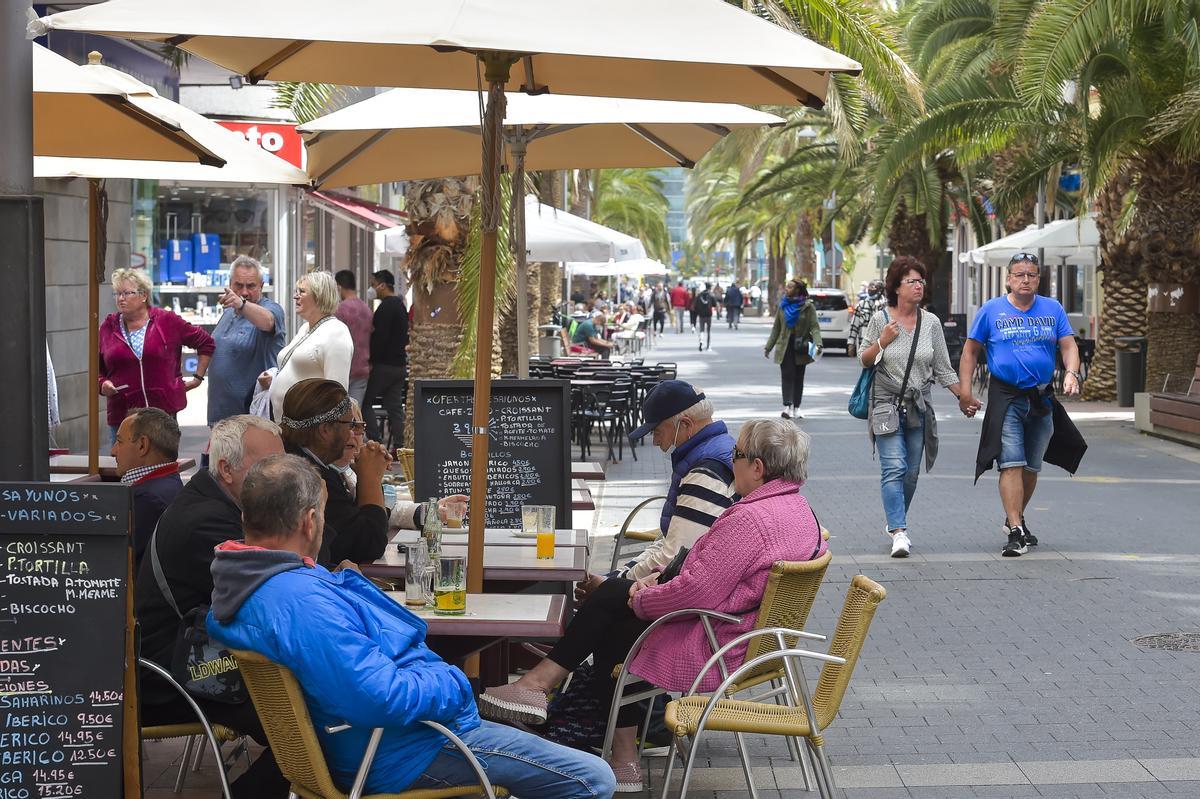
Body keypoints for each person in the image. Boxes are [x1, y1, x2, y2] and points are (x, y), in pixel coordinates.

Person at [206, 454, 616, 799]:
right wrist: (454, 684)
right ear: (311, 521)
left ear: (246, 518)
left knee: (539, 745)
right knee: (595, 779)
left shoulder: (248, 583)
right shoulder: (300, 602)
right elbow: (378, 697)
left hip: (377, 741)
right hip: (399, 751)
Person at [479, 419, 824, 792]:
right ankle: (609, 746)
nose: (731, 459)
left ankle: (544, 690)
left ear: (758, 468)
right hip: (752, 637)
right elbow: (708, 576)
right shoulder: (799, 510)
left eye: (737, 453)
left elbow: (696, 593)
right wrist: (655, 581)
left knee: (612, 603)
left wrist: (638, 595)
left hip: (717, 640)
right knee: (614, 606)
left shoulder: (752, 519)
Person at [135, 415, 289, 799]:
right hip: (174, 678)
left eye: (285, 465)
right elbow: (281, 598)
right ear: (226, 469)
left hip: (210, 662)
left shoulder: (223, 506)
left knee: (315, 711)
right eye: (270, 466)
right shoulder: (206, 522)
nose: (283, 476)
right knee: (304, 723)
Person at [958, 252, 1085, 557]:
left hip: (1041, 398)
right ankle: (1015, 530)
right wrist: (965, 391)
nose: (1025, 279)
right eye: (1019, 274)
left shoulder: (1052, 309)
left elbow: (1068, 344)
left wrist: (1071, 373)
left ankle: (1015, 516)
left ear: (1038, 279)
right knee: (1011, 462)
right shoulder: (991, 310)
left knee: (1031, 466)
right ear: (1008, 279)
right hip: (1007, 398)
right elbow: (970, 352)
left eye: (1031, 274)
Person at [575, 380, 735, 599]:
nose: (655, 441)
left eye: (657, 431)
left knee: (597, 611)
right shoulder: (714, 450)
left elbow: (675, 556)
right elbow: (670, 541)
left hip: (693, 597)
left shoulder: (705, 471)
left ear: (686, 424)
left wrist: (611, 585)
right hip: (697, 585)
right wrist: (616, 578)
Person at [858, 258, 968, 558]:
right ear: (896, 287)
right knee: (893, 467)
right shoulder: (881, 320)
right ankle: (899, 531)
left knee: (911, 473)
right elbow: (864, 359)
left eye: (921, 280)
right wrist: (882, 341)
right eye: (912, 281)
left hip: (918, 407)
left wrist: (963, 397)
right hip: (885, 404)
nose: (919, 285)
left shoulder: (930, 322)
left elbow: (944, 369)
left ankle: (896, 519)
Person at [280, 378, 392, 565]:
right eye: (350, 425)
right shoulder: (309, 475)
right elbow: (368, 544)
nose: (352, 434)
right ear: (325, 430)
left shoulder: (297, 460)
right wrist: (370, 478)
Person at [99, 267, 215, 443]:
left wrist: (198, 378)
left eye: (127, 293)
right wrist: (103, 384)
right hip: (122, 415)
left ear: (144, 295)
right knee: (123, 467)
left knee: (162, 466)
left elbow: (206, 343)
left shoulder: (167, 321)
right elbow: (96, 369)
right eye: (117, 293)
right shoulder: (107, 327)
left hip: (162, 414)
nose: (121, 298)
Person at [264, 271, 352, 421]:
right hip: (286, 425)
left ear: (319, 296)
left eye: (302, 292)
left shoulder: (336, 332)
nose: (295, 296)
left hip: (309, 430)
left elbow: (337, 392)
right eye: (296, 291)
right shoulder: (305, 328)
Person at [207, 255, 286, 426]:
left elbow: (268, 321)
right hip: (221, 418)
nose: (244, 292)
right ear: (229, 285)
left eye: (251, 286)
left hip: (253, 421)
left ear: (261, 286)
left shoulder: (271, 309)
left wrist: (241, 304)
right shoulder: (228, 313)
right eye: (238, 285)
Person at [112, 407, 182, 568]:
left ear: (142, 445)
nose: (113, 450)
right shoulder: (170, 484)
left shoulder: (146, 500)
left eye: (120, 442)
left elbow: (120, 564)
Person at [363, 269, 409, 449]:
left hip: (384, 366)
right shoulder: (399, 305)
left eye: (374, 284)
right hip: (399, 366)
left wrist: (371, 360)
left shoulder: (385, 308)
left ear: (382, 285)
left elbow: (379, 339)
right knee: (395, 407)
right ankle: (400, 446)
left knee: (365, 403)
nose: (372, 288)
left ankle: (376, 443)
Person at [764, 279, 822, 420]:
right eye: (787, 286)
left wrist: (818, 342)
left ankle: (797, 407)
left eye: (790, 287)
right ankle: (787, 406)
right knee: (787, 375)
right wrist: (768, 347)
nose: (786, 289)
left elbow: (814, 326)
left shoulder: (808, 307)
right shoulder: (783, 306)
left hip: (801, 346)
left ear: (797, 290)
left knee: (798, 377)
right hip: (785, 346)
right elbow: (776, 328)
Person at [334, 269, 374, 406]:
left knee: (340, 413)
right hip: (362, 367)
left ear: (338, 287)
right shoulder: (366, 309)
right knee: (355, 412)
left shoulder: (340, 310)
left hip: (344, 368)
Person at [847, 278, 886, 358]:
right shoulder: (861, 305)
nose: (870, 289)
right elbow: (854, 324)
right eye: (870, 287)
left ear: (880, 290)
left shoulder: (886, 306)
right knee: (867, 369)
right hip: (865, 345)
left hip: (883, 346)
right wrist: (851, 343)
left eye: (873, 287)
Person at [692, 282, 718, 351]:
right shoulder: (711, 295)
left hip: (701, 315)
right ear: (710, 287)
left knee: (701, 330)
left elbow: (695, 305)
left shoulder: (700, 295)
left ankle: (701, 341)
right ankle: (708, 346)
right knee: (708, 331)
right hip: (709, 315)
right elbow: (715, 305)